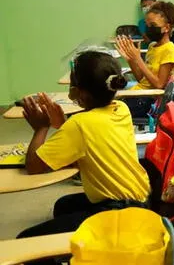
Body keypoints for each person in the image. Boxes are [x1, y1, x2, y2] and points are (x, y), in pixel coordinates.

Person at [17, 51, 150, 241]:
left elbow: (34, 166)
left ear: (79, 92)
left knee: (26, 239)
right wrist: (63, 124)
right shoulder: (121, 109)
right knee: (64, 206)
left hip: (116, 214)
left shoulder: (79, 124)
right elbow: (92, 146)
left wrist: (41, 128)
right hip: (141, 201)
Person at [116, 1, 174, 117]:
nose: (149, 29)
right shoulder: (152, 46)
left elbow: (159, 85)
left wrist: (138, 59)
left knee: (110, 111)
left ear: (166, 27)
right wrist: (131, 60)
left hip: (147, 101)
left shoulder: (170, 50)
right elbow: (141, 79)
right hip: (139, 93)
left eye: (153, 26)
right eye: (147, 25)